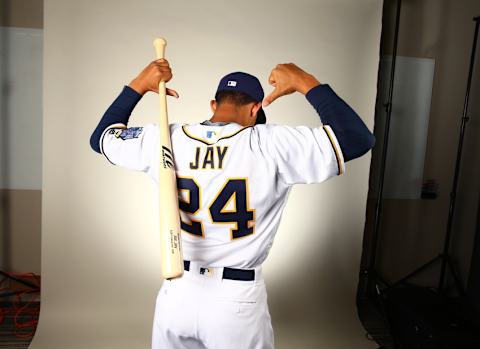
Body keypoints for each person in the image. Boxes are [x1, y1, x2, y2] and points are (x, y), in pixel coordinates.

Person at [90, 59, 375, 349]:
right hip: (236, 301)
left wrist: (139, 84)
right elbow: (356, 138)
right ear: (255, 110)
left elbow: (100, 137)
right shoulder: (270, 143)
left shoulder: (165, 137)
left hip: (176, 293)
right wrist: (305, 80)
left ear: (214, 105)